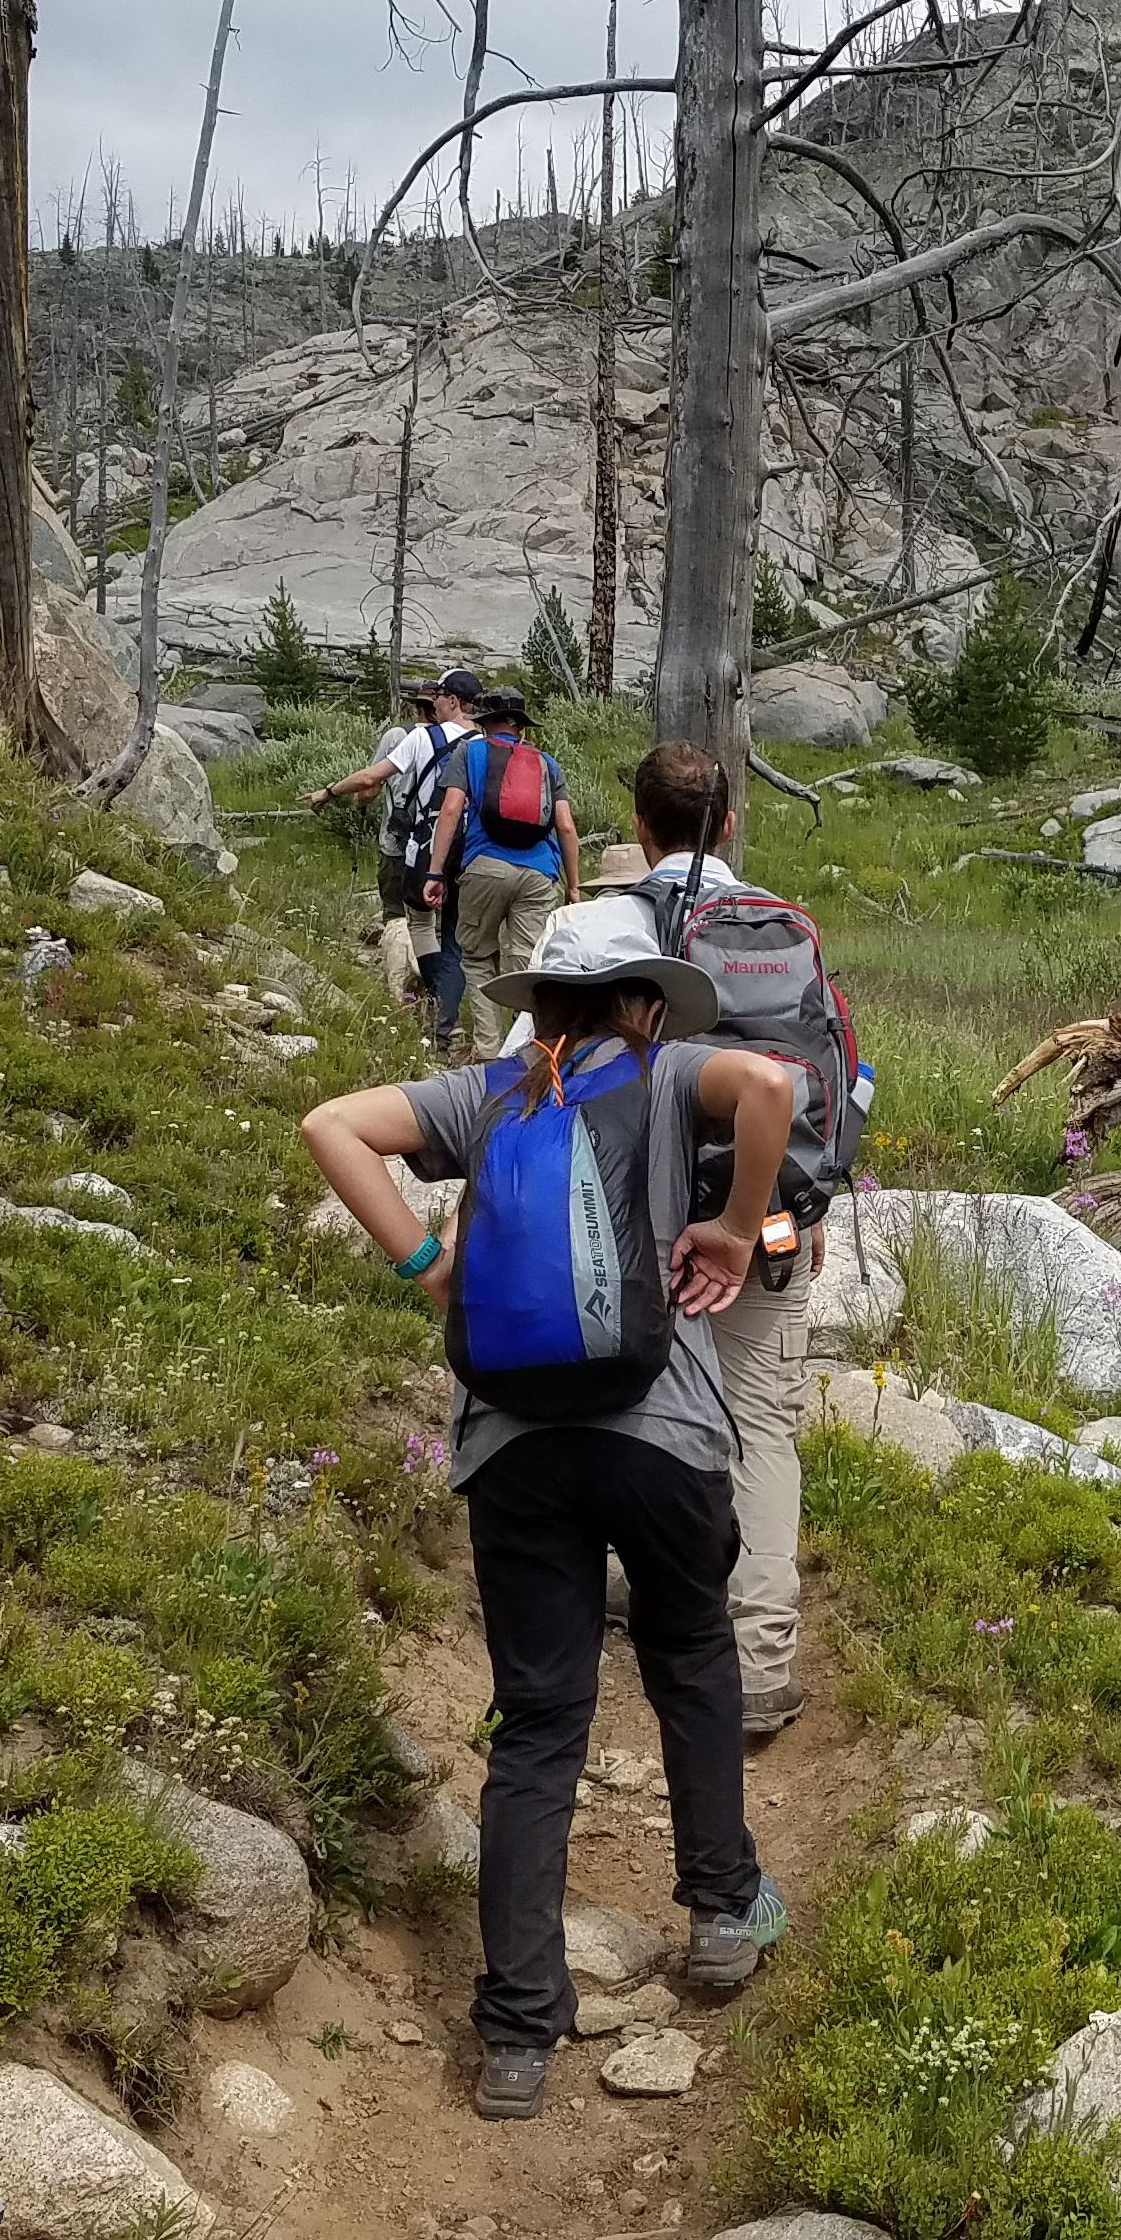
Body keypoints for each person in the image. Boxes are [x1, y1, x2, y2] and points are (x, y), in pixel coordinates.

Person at [299, 900, 795, 2123]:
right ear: (642, 995)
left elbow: (330, 1126)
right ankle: (723, 1911)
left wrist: (430, 1268)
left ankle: (519, 2032)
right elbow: (774, 1086)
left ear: (542, 1002)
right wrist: (734, 1232)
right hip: (662, 1437)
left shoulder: (486, 1095)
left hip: (512, 1453)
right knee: (689, 1654)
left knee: (536, 1727)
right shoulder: (674, 1070)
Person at [618, 741, 850, 1743]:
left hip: (648, 1221)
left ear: (638, 829)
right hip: (769, 1219)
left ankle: (638, 1586)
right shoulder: (788, 929)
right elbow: (842, 1075)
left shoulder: (613, 927)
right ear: (726, 827)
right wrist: (805, 1208)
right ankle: (759, 1661)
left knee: (625, 1406)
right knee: (763, 1425)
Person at [307, 666, 480, 1037]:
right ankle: (447, 1020)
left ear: (450, 700)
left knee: (417, 921)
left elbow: (372, 778)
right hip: (472, 852)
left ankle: (430, 994)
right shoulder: (484, 741)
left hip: (427, 847)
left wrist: (329, 791)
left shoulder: (422, 738)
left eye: (439, 697)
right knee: (453, 937)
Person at [423, 685, 581, 1045]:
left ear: (485, 722)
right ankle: (528, 1050)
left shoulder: (470, 752)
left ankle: (489, 1052)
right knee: (530, 966)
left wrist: (435, 873)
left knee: (478, 957)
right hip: (541, 873)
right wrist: (573, 886)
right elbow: (566, 826)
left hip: (485, 867)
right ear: (520, 727)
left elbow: (450, 810)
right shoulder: (546, 762)